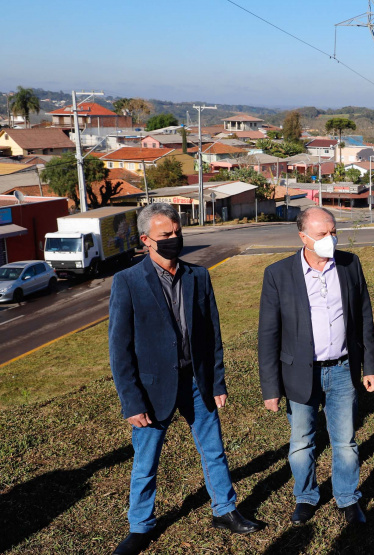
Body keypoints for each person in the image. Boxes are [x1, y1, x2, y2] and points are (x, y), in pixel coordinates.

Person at [108, 203, 262, 555]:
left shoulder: (198, 276)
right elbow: (120, 349)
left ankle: (225, 510)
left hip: (196, 382)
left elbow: (211, 334)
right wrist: (131, 401)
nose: (174, 238)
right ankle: (140, 526)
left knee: (214, 450)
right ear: (146, 240)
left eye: (177, 232)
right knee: (146, 462)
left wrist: (217, 381)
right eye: (166, 234)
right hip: (151, 389)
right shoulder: (127, 281)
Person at [258, 206, 374, 526]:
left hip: (342, 369)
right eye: (322, 234)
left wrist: (370, 366)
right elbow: (268, 335)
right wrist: (270, 388)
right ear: (303, 237)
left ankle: (347, 497)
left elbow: (364, 318)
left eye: (333, 232)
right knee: (302, 442)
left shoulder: (350, 264)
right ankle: (306, 496)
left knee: (345, 441)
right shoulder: (278, 274)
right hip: (300, 372)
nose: (331, 239)